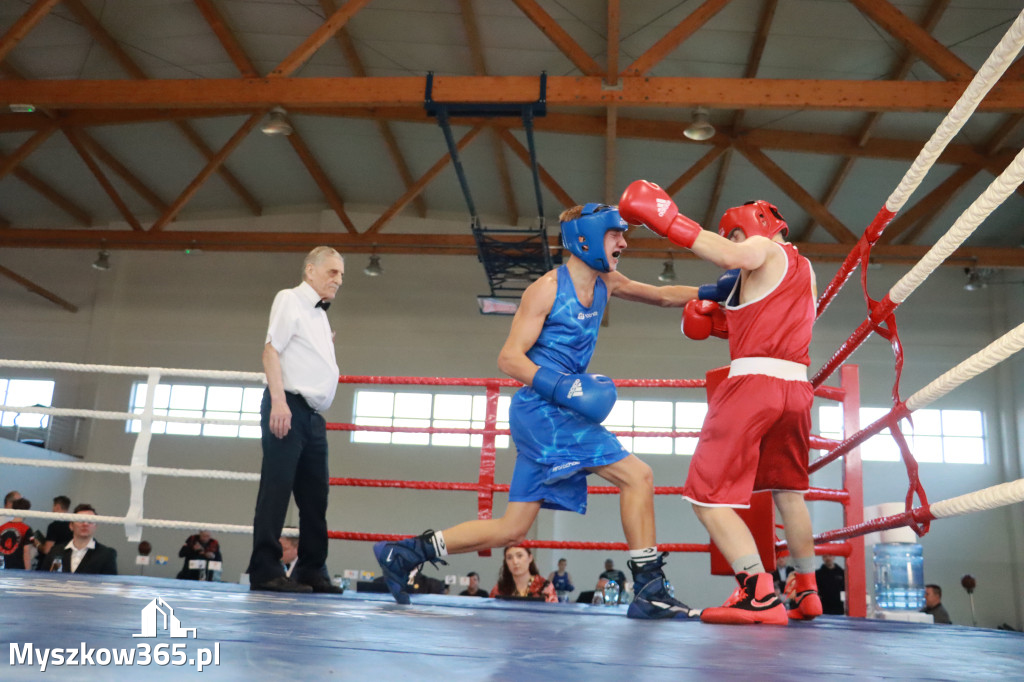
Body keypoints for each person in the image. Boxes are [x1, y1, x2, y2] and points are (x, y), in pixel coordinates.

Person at [373, 203, 698, 619]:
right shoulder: (546, 288)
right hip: (542, 410)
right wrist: (563, 385)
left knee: (513, 528)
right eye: (615, 234)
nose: (624, 241)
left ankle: (404, 553)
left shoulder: (607, 282)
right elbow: (509, 358)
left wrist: (718, 292)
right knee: (639, 476)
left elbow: (665, 295)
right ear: (587, 237)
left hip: (553, 411)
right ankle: (650, 588)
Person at [620, 182, 824, 625]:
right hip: (796, 390)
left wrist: (667, 220)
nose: (733, 244)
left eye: (733, 234)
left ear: (754, 228)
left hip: (753, 386)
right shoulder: (802, 270)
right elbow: (724, 306)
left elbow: (736, 256)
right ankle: (807, 590)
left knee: (706, 494)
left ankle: (760, 594)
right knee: (789, 493)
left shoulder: (763, 253)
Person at [247, 246, 345, 594]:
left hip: (313, 416)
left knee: (316, 496)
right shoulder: (290, 299)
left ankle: (310, 568)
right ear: (310, 271)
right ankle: (264, 569)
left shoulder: (320, 315)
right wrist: (278, 401)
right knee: (277, 489)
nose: (339, 280)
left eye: (341, 275)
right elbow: (271, 349)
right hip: (287, 405)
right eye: (332, 272)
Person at [47, 503, 118, 575]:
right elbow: (44, 579)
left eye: (90, 521)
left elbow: (109, 584)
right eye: (80, 520)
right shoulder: (55, 551)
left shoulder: (106, 554)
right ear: (71, 526)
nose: (85, 524)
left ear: (95, 526)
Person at [489, 545, 557, 602]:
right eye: (509, 558)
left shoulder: (544, 586)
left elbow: (553, 615)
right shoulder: (499, 589)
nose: (515, 562)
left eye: (519, 556)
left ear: (530, 558)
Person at [36, 495, 73, 571]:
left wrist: (37, 544)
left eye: (53, 506)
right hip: (69, 562)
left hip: (55, 563)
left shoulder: (54, 526)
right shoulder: (73, 525)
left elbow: (47, 550)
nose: (52, 509)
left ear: (57, 507)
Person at [0, 497, 33, 570]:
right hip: (19, 569)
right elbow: (26, 553)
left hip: (3, 567)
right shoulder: (27, 529)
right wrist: (29, 573)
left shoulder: (2, 527)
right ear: (26, 512)